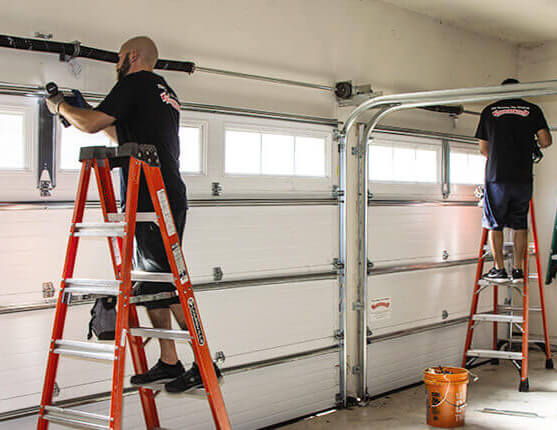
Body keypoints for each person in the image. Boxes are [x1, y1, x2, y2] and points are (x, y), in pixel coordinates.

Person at [46, 36, 221, 393]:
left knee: (167, 282)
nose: (117, 64)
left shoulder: (134, 82)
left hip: (151, 196)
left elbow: (93, 125)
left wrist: (61, 107)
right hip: (158, 193)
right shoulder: (160, 90)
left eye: (120, 58)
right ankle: (170, 361)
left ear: (133, 56)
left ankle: (205, 365)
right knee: (154, 282)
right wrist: (83, 112)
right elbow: (115, 131)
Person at [476, 78, 552, 282]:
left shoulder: (489, 111)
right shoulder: (533, 110)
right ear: (521, 91)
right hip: (522, 177)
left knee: (495, 224)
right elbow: (545, 141)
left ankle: (499, 269)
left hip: (497, 177)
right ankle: (518, 270)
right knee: (520, 225)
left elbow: (484, 149)